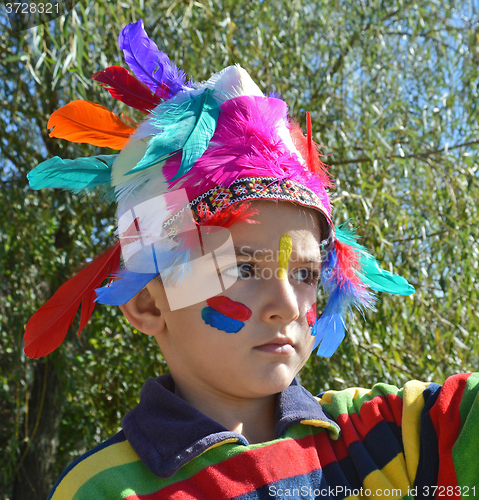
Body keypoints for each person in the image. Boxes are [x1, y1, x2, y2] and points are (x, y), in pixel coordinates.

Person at [24, 19, 479, 500]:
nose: (285, 303)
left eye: (305, 273)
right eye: (243, 267)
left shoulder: (389, 437)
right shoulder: (104, 489)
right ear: (149, 303)